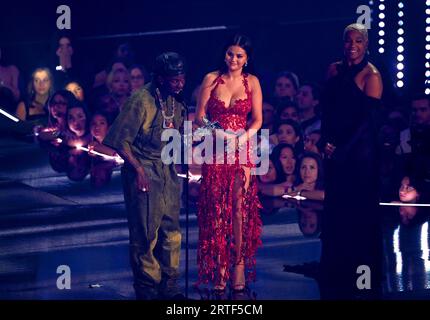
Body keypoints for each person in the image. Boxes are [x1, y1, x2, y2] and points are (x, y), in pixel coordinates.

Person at [103, 52, 186, 300]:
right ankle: (147, 285)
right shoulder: (141, 101)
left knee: (171, 228)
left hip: (167, 169)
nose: (180, 84)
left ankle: (169, 282)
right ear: (160, 78)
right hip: (144, 168)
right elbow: (120, 141)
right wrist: (138, 170)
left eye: (182, 79)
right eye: (174, 80)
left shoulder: (176, 101)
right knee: (146, 232)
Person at [195, 34, 263, 293]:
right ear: (224, 54)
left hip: (242, 150)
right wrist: (219, 133)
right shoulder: (211, 79)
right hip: (215, 147)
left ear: (247, 59)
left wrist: (242, 137)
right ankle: (220, 264)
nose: (233, 59)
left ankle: (238, 264)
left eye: (239, 56)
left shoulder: (252, 82)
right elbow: (200, 116)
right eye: (230, 54)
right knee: (217, 209)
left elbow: (257, 120)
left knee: (239, 209)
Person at [320, 23, 383, 299]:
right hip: (335, 150)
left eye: (358, 41)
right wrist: (325, 140)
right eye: (348, 41)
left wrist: (344, 148)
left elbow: (367, 123)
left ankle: (363, 275)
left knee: (359, 212)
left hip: (360, 154)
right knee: (336, 209)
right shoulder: (334, 69)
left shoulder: (372, 76)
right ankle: (337, 268)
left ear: (366, 44)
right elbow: (328, 110)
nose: (352, 46)